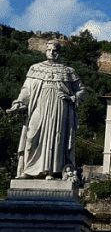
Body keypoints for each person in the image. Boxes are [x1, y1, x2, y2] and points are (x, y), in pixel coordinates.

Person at [6, 41, 86, 179]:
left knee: (56, 138)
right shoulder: (35, 68)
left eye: (55, 51)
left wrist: (71, 97)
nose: (52, 53)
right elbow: (26, 90)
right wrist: (19, 103)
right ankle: (28, 170)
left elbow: (82, 91)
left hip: (60, 108)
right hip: (38, 106)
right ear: (45, 51)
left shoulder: (68, 71)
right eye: (49, 50)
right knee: (31, 136)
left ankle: (49, 171)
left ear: (59, 52)